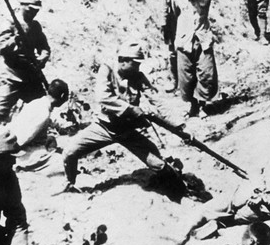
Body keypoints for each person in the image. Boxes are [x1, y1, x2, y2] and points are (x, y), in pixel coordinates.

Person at [61, 41, 184, 191]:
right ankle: (70, 185)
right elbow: (103, 97)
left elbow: (157, 101)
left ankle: (178, 187)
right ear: (123, 61)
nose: (138, 68)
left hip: (126, 131)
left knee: (158, 163)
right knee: (69, 152)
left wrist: (179, 126)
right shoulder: (106, 70)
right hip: (103, 127)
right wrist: (131, 109)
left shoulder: (137, 76)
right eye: (136, 63)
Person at [175, 151, 270, 245]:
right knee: (231, 223)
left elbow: (251, 173)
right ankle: (216, 228)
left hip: (240, 195)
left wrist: (257, 186)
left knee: (205, 210)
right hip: (256, 210)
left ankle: (182, 235)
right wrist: (269, 198)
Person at [0, 0, 50, 149]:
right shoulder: (8, 23)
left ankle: (37, 142)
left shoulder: (35, 26)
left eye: (36, 9)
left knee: (40, 106)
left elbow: (44, 47)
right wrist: (15, 40)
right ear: (22, 5)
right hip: (11, 74)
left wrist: (42, 57)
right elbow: (1, 48)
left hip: (29, 74)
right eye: (30, 8)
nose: (34, 11)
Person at [170, 0, 218, 117]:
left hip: (202, 39)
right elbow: (175, 14)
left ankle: (203, 104)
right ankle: (193, 106)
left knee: (206, 73)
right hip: (184, 40)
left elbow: (205, 14)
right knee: (186, 76)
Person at [9, 79, 69, 172]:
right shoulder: (43, 113)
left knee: (51, 139)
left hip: (15, 142)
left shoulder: (36, 102)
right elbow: (24, 139)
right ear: (62, 96)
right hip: (24, 154)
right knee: (60, 160)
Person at [162, 0, 195, 92]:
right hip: (174, 20)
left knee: (193, 48)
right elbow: (165, 4)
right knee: (173, 51)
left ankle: (191, 80)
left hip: (190, 18)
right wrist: (164, 24)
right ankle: (175, 79)